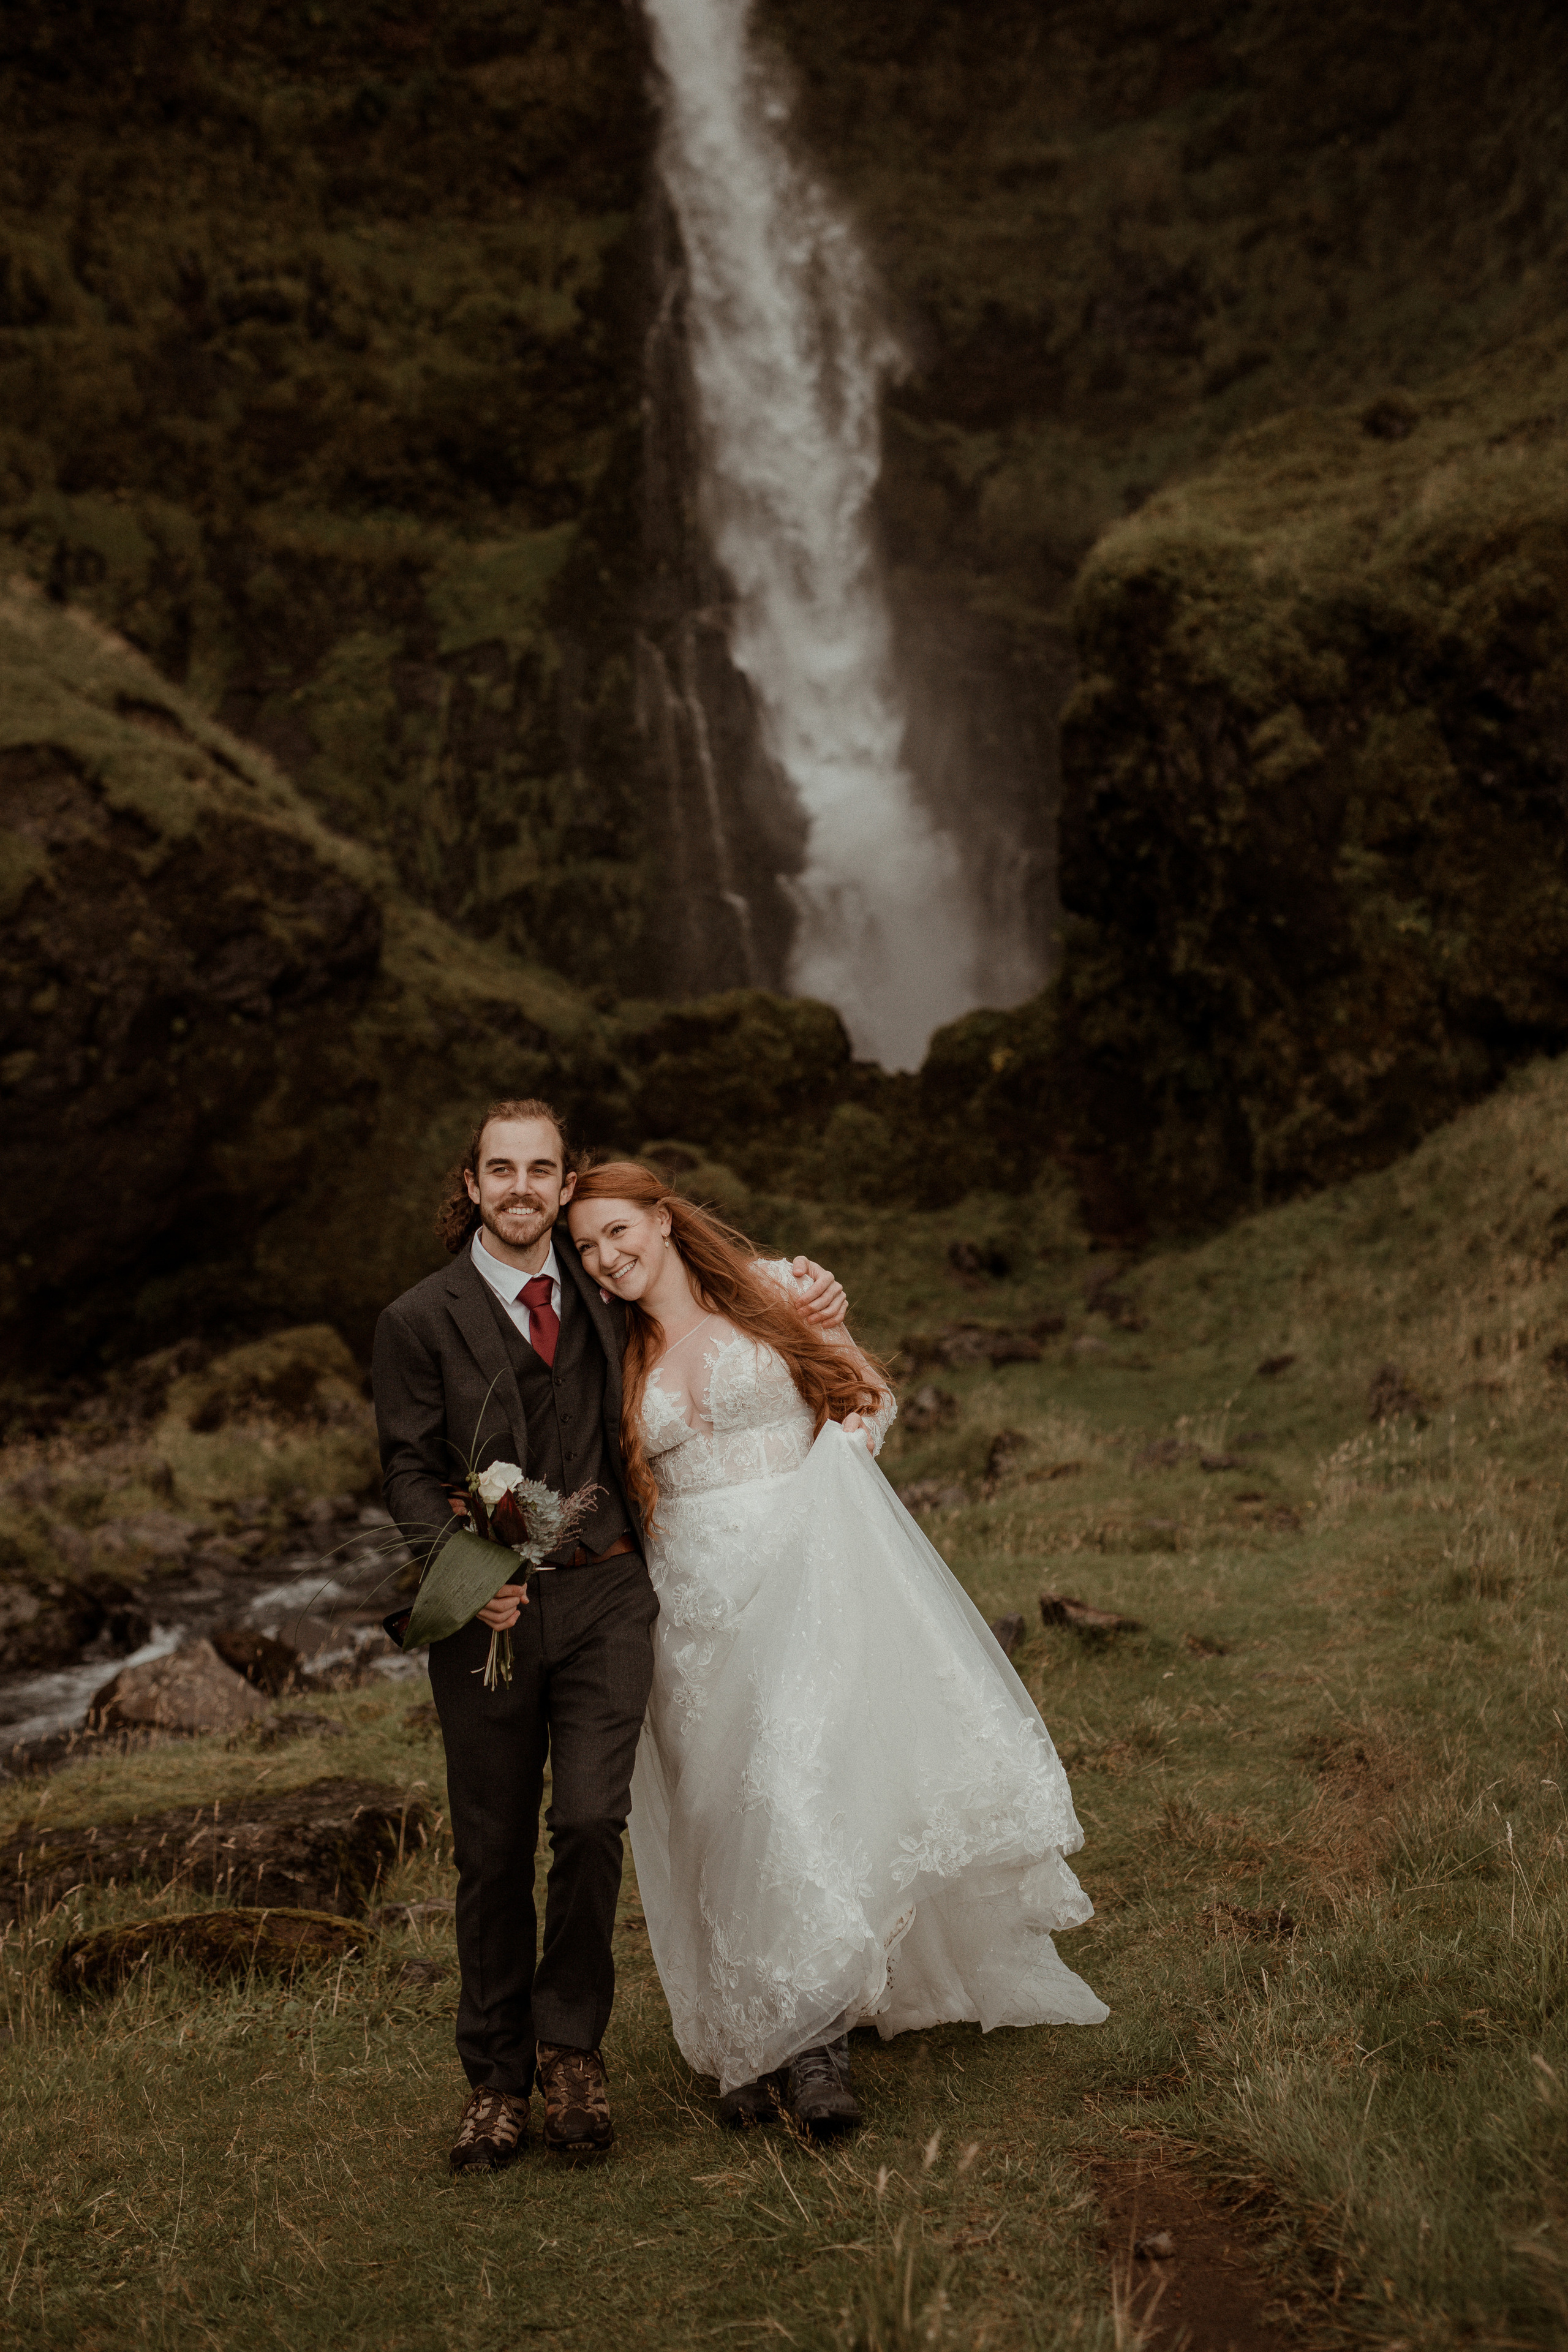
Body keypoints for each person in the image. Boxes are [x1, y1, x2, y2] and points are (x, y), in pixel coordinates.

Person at [566, 1163, 1107, 2134]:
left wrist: (847, 1458)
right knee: (720, 1817)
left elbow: (866, 1398)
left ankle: (815, 2048)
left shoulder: (777, 1289)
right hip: (693, 1609)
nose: (607, 1257)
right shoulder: (611, 1350)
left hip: (809, 1571)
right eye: (587, 1247)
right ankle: (751, 2029)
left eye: (618, 1231)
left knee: (795, 1791)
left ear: (662, 1219)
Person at [371, 1099, 848, 2172]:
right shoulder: (417, 1320)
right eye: (502, 1169)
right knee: (492, 1848)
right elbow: (407, 1466)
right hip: (490, 1618)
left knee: (592, 1823)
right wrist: (463, 1575)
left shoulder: (601, 1282)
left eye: (541, 1169)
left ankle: (573, 2055)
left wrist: (804, 1285)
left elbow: (699, 1286)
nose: (522, 1188)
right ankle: (495, 2084)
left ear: (563, 1183)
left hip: (611, 1598)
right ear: (472, 1185)